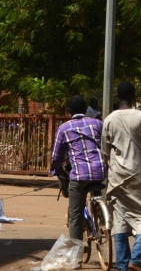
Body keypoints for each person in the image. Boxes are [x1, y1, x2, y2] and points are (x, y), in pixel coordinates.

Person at [102, 82, 141, 271]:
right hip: (137, 171)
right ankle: (136, 259)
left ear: (118, 96)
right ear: (133, 96)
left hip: (116, 173)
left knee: (120, 217)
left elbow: (105, 150)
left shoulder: (109, 119)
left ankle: (123, 265)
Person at [50, 95, 107, 243]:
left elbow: (56, 156)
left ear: (69, 111)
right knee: (95, 187)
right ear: (85, 109)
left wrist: (55, 169)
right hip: (100, 172)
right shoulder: (97, 124)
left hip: (79, 175)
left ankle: (77, 256)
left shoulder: (64, 128)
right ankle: (100, 216)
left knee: (75, 215)